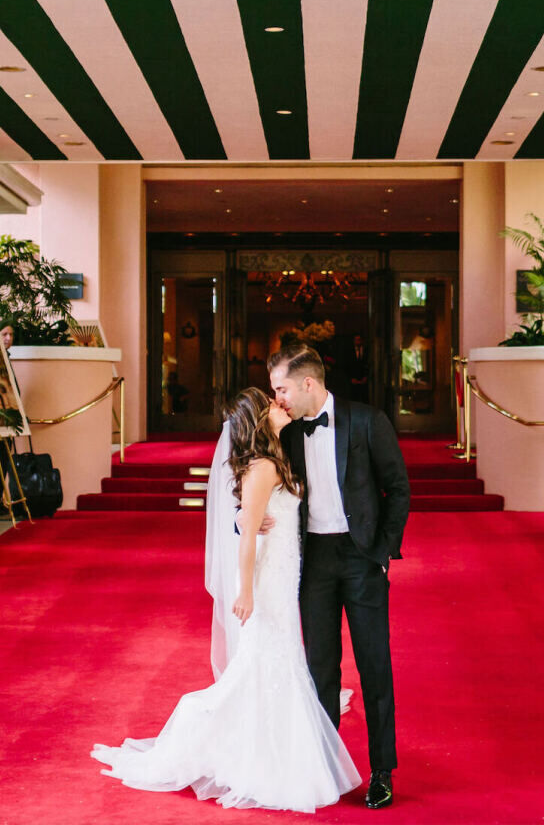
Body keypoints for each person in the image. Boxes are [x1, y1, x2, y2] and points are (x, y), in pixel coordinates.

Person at [91, 387, 360, 813]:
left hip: (283, 576)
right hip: (266, 581)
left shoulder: (275, 459)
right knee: (263, 664)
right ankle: (230, 749)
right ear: (259, 418)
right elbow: (248, 535)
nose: (280, 404)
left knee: (281, 661)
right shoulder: (263, 467)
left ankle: (275, 752)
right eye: (272, 402)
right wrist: (247, 592)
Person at [268, 342, 410, 810]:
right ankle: (325, 767)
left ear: (309, 383)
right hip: (314, 562)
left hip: (362, 556)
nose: (279, 399)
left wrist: (383, 550)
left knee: (374, 667)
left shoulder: (367, 421)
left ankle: (381, 772)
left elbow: (398, 487)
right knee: (320, 670)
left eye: (282, 388)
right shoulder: (286, 433)